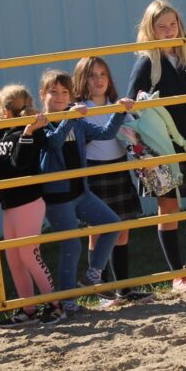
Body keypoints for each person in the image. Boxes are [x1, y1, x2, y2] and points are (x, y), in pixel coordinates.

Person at [127, 0, 186, 293]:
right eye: (161, 26)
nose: (169, 31)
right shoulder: (147, 62)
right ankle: (177, 275)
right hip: (160, 148)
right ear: (150, 30)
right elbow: (133, 103)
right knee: (169, 208)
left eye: (173, 24)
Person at [37, 70, 130, 313]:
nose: (59, 96)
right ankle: (68, 300)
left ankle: (93, 275)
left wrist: (120, 112)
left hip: (81, 192)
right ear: (42, 95)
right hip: (58, 197)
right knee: (72, 246)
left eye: (65, 92)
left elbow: (105, 134)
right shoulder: (40, 122)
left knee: (112, 224)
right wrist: (68, 116)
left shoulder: (76, 121)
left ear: (71, 95)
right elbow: (54, 143)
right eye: (53, 92)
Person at [0, 86, 64, 326]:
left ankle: (55, 305)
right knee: (14, 258)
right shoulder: (4, 131)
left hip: (27, 202)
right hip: (9, 204)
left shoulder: (31, 131)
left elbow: (20, 163)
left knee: (29, 254)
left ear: (6, 111)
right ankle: (28, 309)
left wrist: (28, 131)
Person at [72, 56, 149, 304]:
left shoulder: (117, 104)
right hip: (94, 174)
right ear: (82, 80)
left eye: (103, 74)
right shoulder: (79, 109)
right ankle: (101, 291)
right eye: (92, 76)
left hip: (118, 170)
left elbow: (132, 135)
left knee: (123, 230)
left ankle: (123, 289)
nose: (98, 80)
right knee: (99, 232)